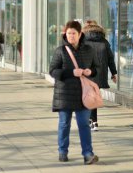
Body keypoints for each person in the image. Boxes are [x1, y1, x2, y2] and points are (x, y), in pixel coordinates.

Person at [49, 20, 100, 165]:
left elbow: (96, 68)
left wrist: (91, 71)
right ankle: (63, 151)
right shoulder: (60, 50)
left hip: (83, 94)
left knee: (84, 124)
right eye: (68, 33)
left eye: (73, 33)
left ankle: (88, 154)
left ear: (80, 34)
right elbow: (53, 71)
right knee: (64, 123)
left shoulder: (89, 50)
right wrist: (71, 72)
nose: (71, 36)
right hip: (64, 93)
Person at [82, 20, 117, 131]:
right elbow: (110, 58)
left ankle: (92, 121)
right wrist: (114, 73)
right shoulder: (104, 42)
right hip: (100, 73)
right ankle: (92, 121)